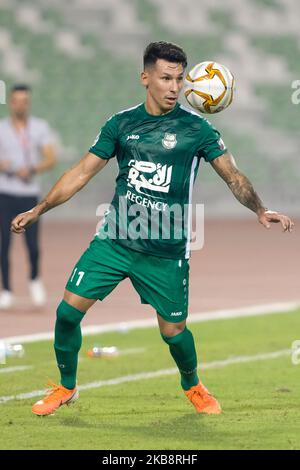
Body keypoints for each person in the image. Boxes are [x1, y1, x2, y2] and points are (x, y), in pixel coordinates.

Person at [11, 42, 294, 416]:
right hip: (115, 240)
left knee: (173, 332)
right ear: (146, 78)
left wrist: (259, 209)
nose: (174, 86)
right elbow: (81, 172)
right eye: (166, 78)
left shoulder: (198, 130)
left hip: (165, 251)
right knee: (66, 314)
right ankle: (66, 386)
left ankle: (192, 385)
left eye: (179, 78)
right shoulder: (121, 124)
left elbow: (233, 175)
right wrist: (40, 208)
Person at [0, 84, 56, 309]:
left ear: (28, 103)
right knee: (3, 244)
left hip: (29, 194)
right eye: (16, 100)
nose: (20, 104)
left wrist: (31, 169)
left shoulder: (40, 127)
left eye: (24, 101)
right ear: (11, 102)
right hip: (4, 193)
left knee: (32, 245)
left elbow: (50, 157)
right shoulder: (1, 128)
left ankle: (34, 279)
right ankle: (6, 289)